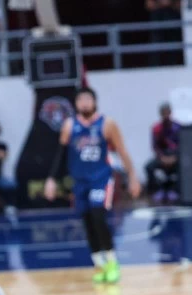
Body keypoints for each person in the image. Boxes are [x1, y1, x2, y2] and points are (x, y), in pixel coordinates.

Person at [44, 87, 141, 284]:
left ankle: (112, 262)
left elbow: (122, 151)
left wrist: (132, 176)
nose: (84, 103)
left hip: (101, 179)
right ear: (76, 104)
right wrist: (51, 179)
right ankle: (99, 264)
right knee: (87, 221)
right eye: (81, 100)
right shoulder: (69, 125)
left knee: (98, 215)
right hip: (80, 181)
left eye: (88, 99)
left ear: (95, 102)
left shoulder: (107, 124)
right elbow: (60, 155)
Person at [146, 102, 181, 204]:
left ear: (170, 113)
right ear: (160, 114)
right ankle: (157, 190)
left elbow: (182, 145)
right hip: (162, 157)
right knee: (148, 167)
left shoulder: (178, 127)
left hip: (175, 157)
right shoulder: (156, 128)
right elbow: (155, 147)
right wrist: (162, 158)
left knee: (184, 167)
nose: (165, 115)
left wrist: (175, 157)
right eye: (163, 113)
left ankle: (175, 190)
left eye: (167, 113)